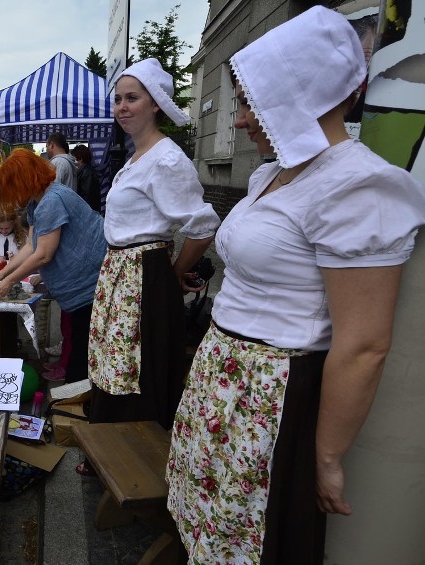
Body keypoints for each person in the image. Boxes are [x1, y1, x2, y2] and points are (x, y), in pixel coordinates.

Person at [166, 7, 425, 563]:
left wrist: (327, 456)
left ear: (298, 93)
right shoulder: (272, 173)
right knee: (212, 522)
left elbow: (364, 344)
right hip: (227, 379)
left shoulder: (358, 188)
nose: (239, 120)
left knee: (256, 535)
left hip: (274, 392)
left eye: (251, 102)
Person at [85, 58, 221, 475]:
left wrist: (174, 272)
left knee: (136, 366)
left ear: (155, 103)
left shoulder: (166, 159)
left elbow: (203, 224)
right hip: (123, 273)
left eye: (132, 98)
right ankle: (109, 451)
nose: (122, 107)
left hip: (144, 274)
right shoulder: (138, 155)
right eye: (118, 99)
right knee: (116, 362)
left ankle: (136, 463)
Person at [0, 149, 106, 384]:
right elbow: (31, 247)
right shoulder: (37, 202)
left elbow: (43, 255)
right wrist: (4, 271)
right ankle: (76, 395)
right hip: (81, 286)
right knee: (79, 342)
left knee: (82, 350)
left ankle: (78, 402)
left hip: (89, 284)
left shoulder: (52, 200)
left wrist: (9, 281)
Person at [70, 144, 102, 213]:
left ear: (80, 159)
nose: (74, 162)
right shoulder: (87, 171)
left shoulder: (87, 173)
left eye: (74, 159)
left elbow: (87, 197)